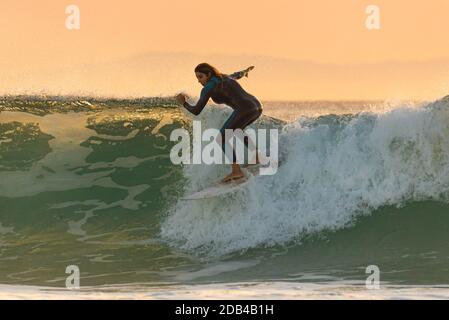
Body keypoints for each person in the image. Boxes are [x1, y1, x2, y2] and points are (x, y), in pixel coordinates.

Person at [176, 63, 263, 183]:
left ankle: (236, 171)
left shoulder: (208, 87)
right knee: (238, 131)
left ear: (209, 74)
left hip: (245, 109)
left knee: (221, 139)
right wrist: (245, 71)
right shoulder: (224, 77)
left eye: (201, 77)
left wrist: (184, 103)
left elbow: (196, 111)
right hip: (257, 106)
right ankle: (258, 157)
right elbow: (236, 75)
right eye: (197, 78)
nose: (199, 81)